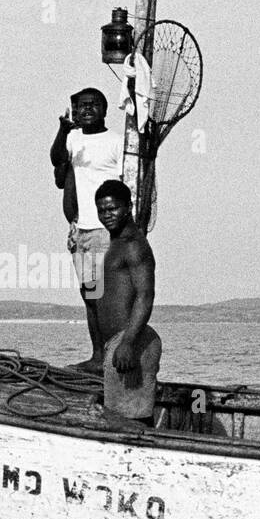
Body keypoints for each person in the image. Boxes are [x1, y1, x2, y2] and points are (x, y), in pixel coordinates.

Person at [49, 88, 123, 373]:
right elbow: (57, 160)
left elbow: (130, 183)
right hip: (80, 230)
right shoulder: (73, 139)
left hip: (105, 231)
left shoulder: (117, 142)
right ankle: (97, 357)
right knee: (90, 295)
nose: (87, 109)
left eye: (93, 105)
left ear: (104, 110)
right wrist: (62, 129)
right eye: (82, 106)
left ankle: (113, 358)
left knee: (107, 297)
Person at [93, 179, 161, 427]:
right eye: (102, 210)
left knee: (135, 424)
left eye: (113, 209)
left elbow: (145, 295)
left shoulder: (134, 245)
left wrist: (128, 342)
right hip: (117, 347)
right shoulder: (117, 243)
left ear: (128, 207)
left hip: (129, 346)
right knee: (122, 420)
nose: (106, 215)